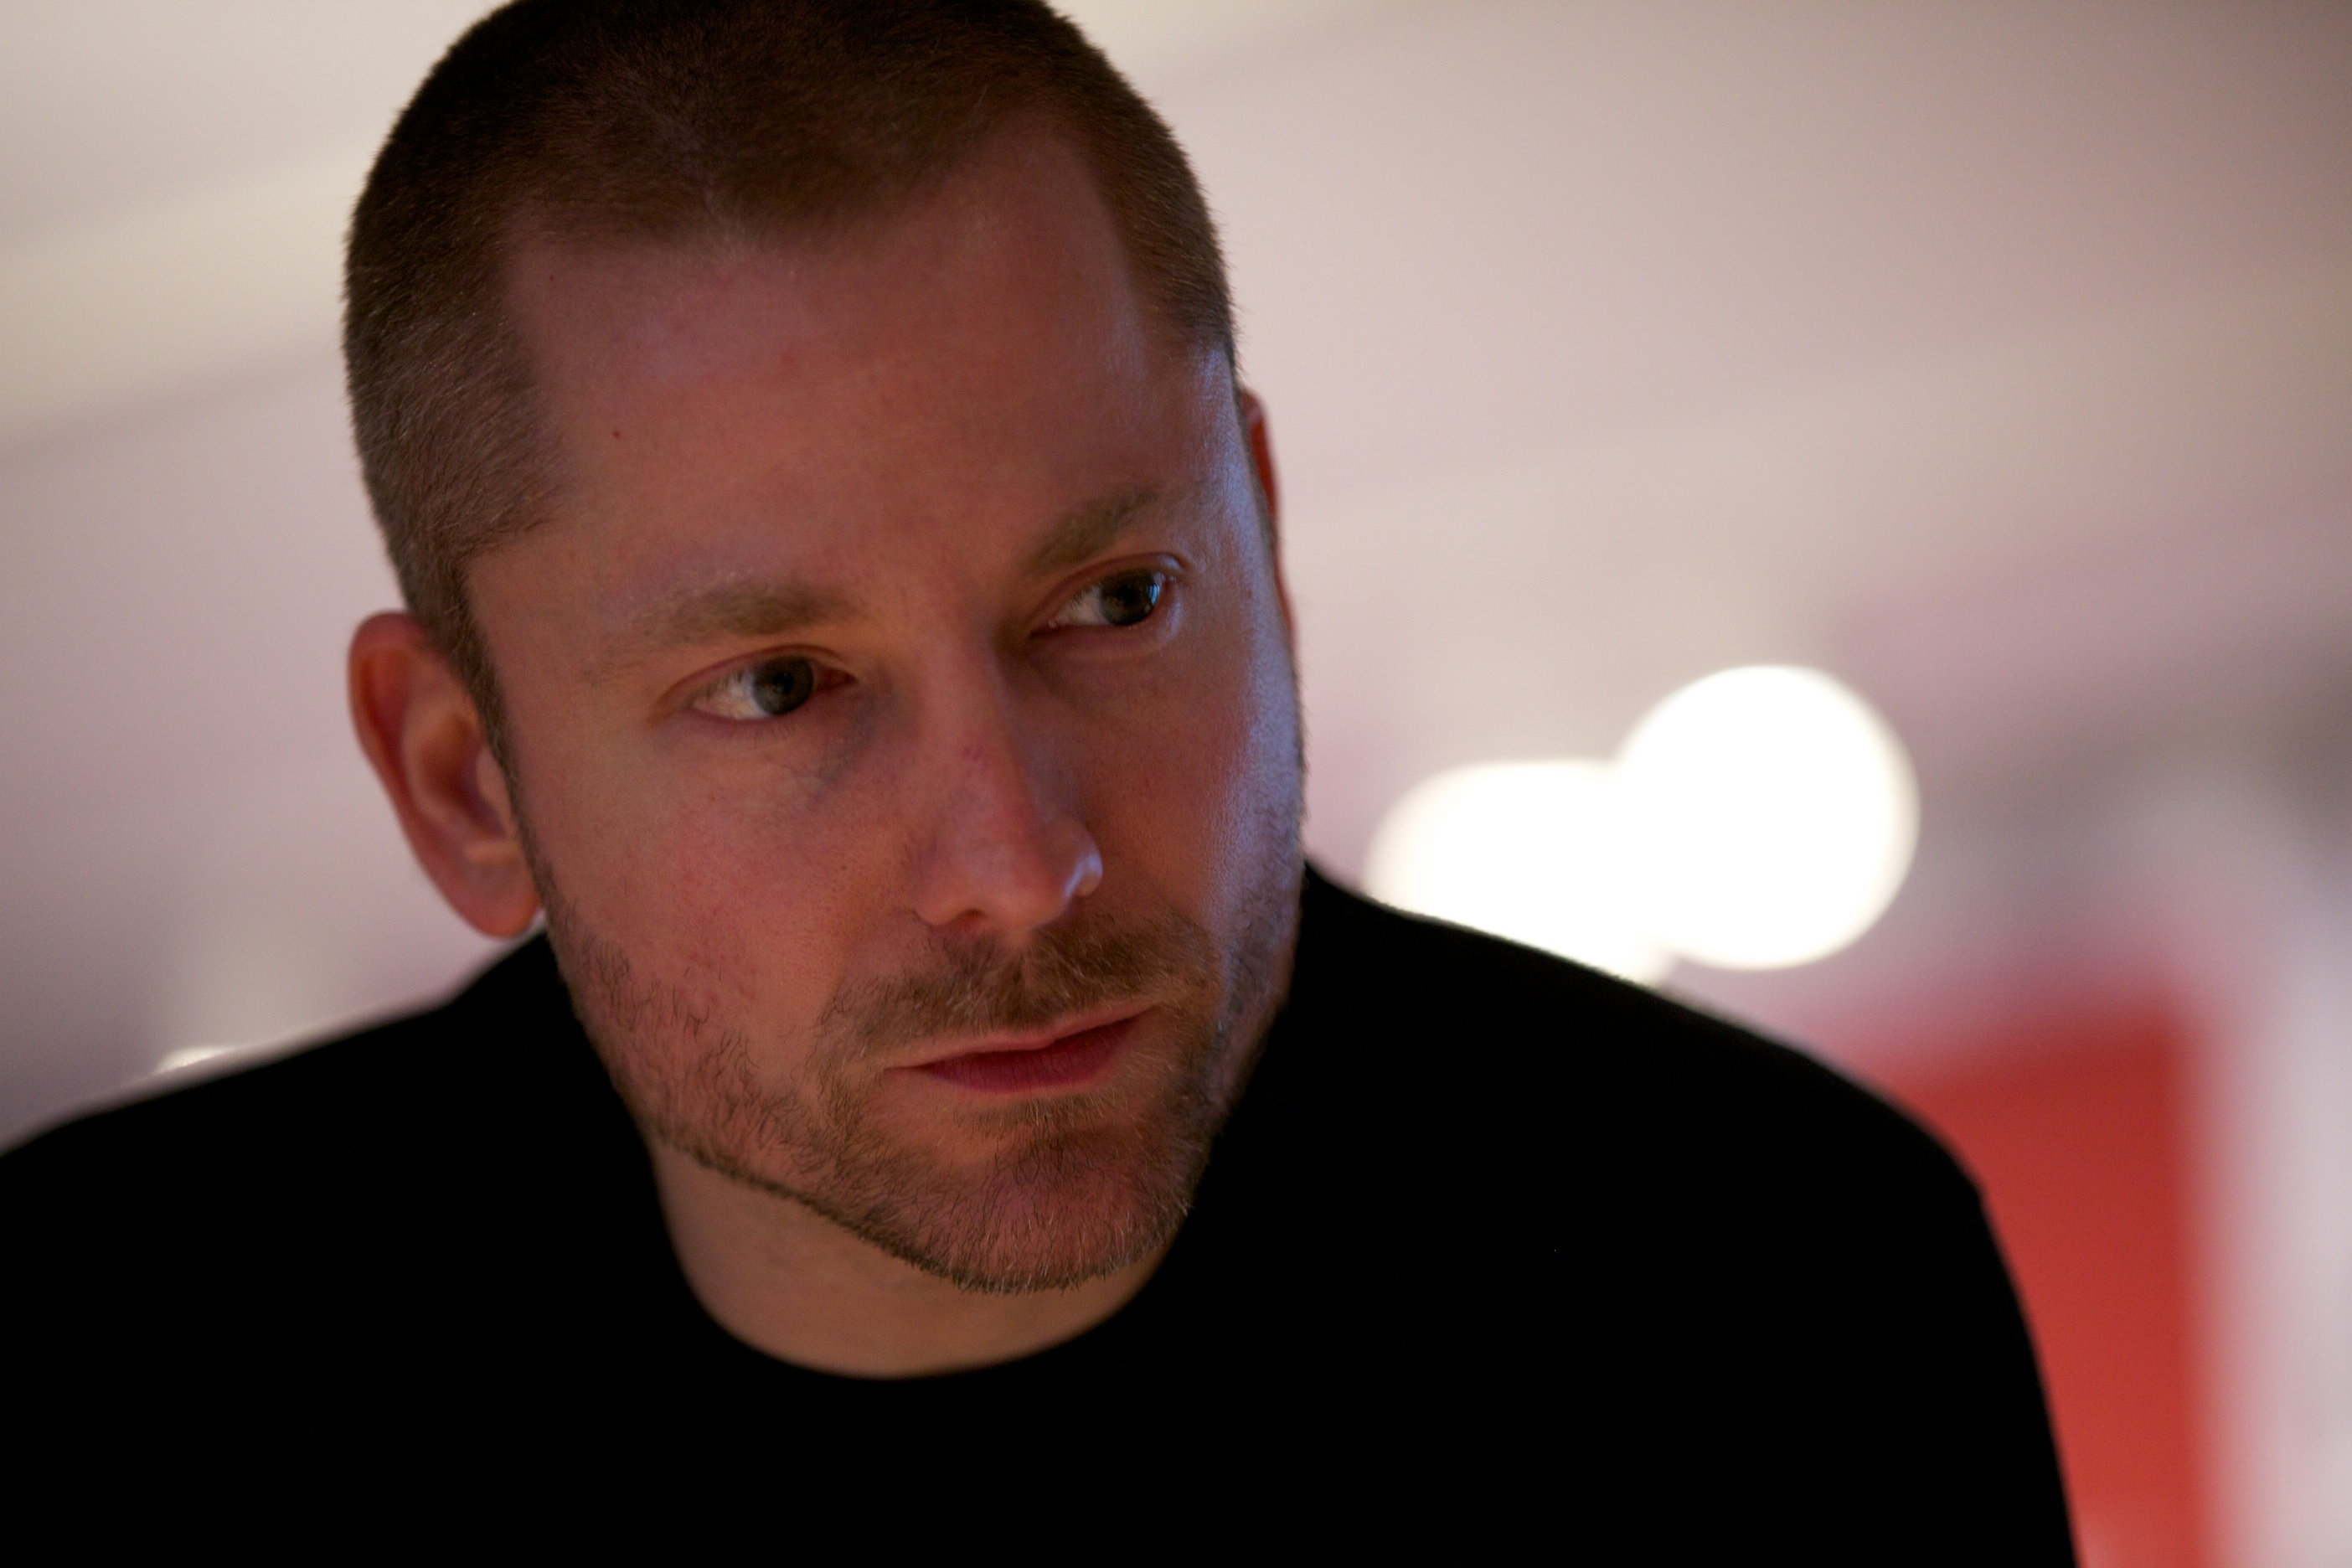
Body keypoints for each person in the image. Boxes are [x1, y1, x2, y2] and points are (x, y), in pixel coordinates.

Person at [3, 0, 2073, 1549]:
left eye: (1115, 599)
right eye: (785, 687)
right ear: (464, 782)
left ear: (1259, 536)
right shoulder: (123, 1368)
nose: (1024, 863)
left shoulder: (1776, 1302)